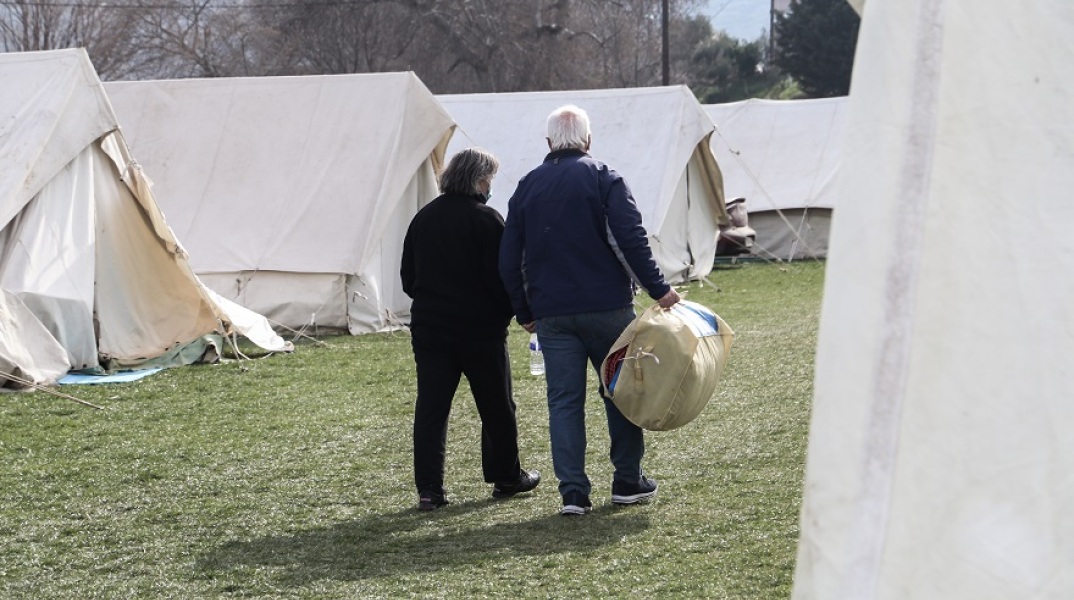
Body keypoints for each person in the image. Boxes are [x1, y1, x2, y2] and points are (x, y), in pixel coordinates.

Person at [498, 105, 680, 516]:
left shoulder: (527, 186)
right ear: (588, 140)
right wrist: (659, 289)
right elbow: (629, 240)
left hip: (552, 314)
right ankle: (627, 480)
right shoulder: (604, 177)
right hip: (608, 308)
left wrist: (523, 308)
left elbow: (510, 257)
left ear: (549, 143)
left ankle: (573, 493)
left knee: (563, 401)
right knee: (620, 392)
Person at [401, 148, 540, 511]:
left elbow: (408, 278)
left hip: (431, 330)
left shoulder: (424, 218)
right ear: (479, 180)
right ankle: (506, 476)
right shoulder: (488, 220)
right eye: (489, 178)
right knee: (496, 405)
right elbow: (504, 277)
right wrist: (510, 312)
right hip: (480, 331)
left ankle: (430, 489)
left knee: (432, 410)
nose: (490, 185)